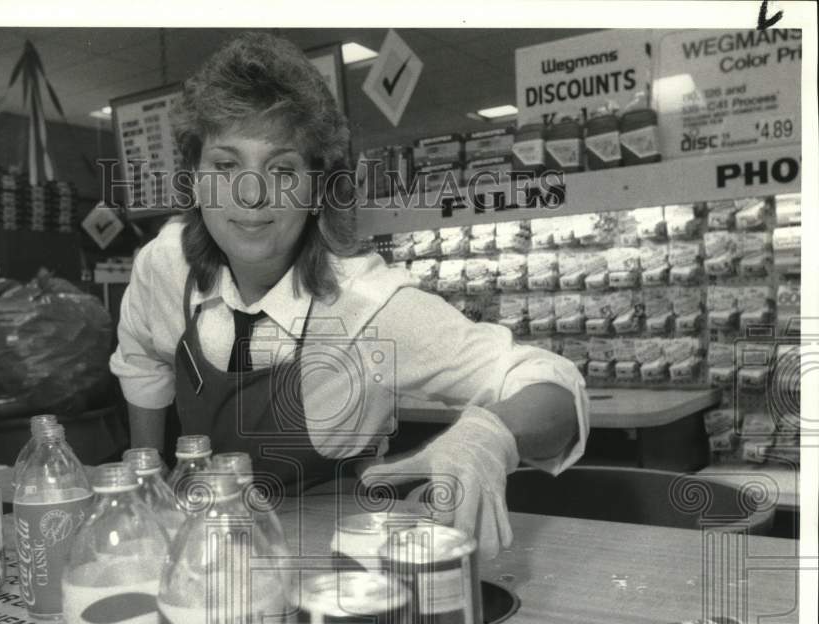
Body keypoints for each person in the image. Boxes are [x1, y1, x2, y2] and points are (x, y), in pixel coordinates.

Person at [110, 32, 588, 557]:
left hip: (327, 552)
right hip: (206, 546)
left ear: (318, 189)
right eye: (225, 166)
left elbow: (552, 384)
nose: (251, 194)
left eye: (282, 169)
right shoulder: (166, 265)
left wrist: (489, 435)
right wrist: (146, 483)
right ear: (195, 180)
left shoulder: (369, 305)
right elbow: (142, 361)